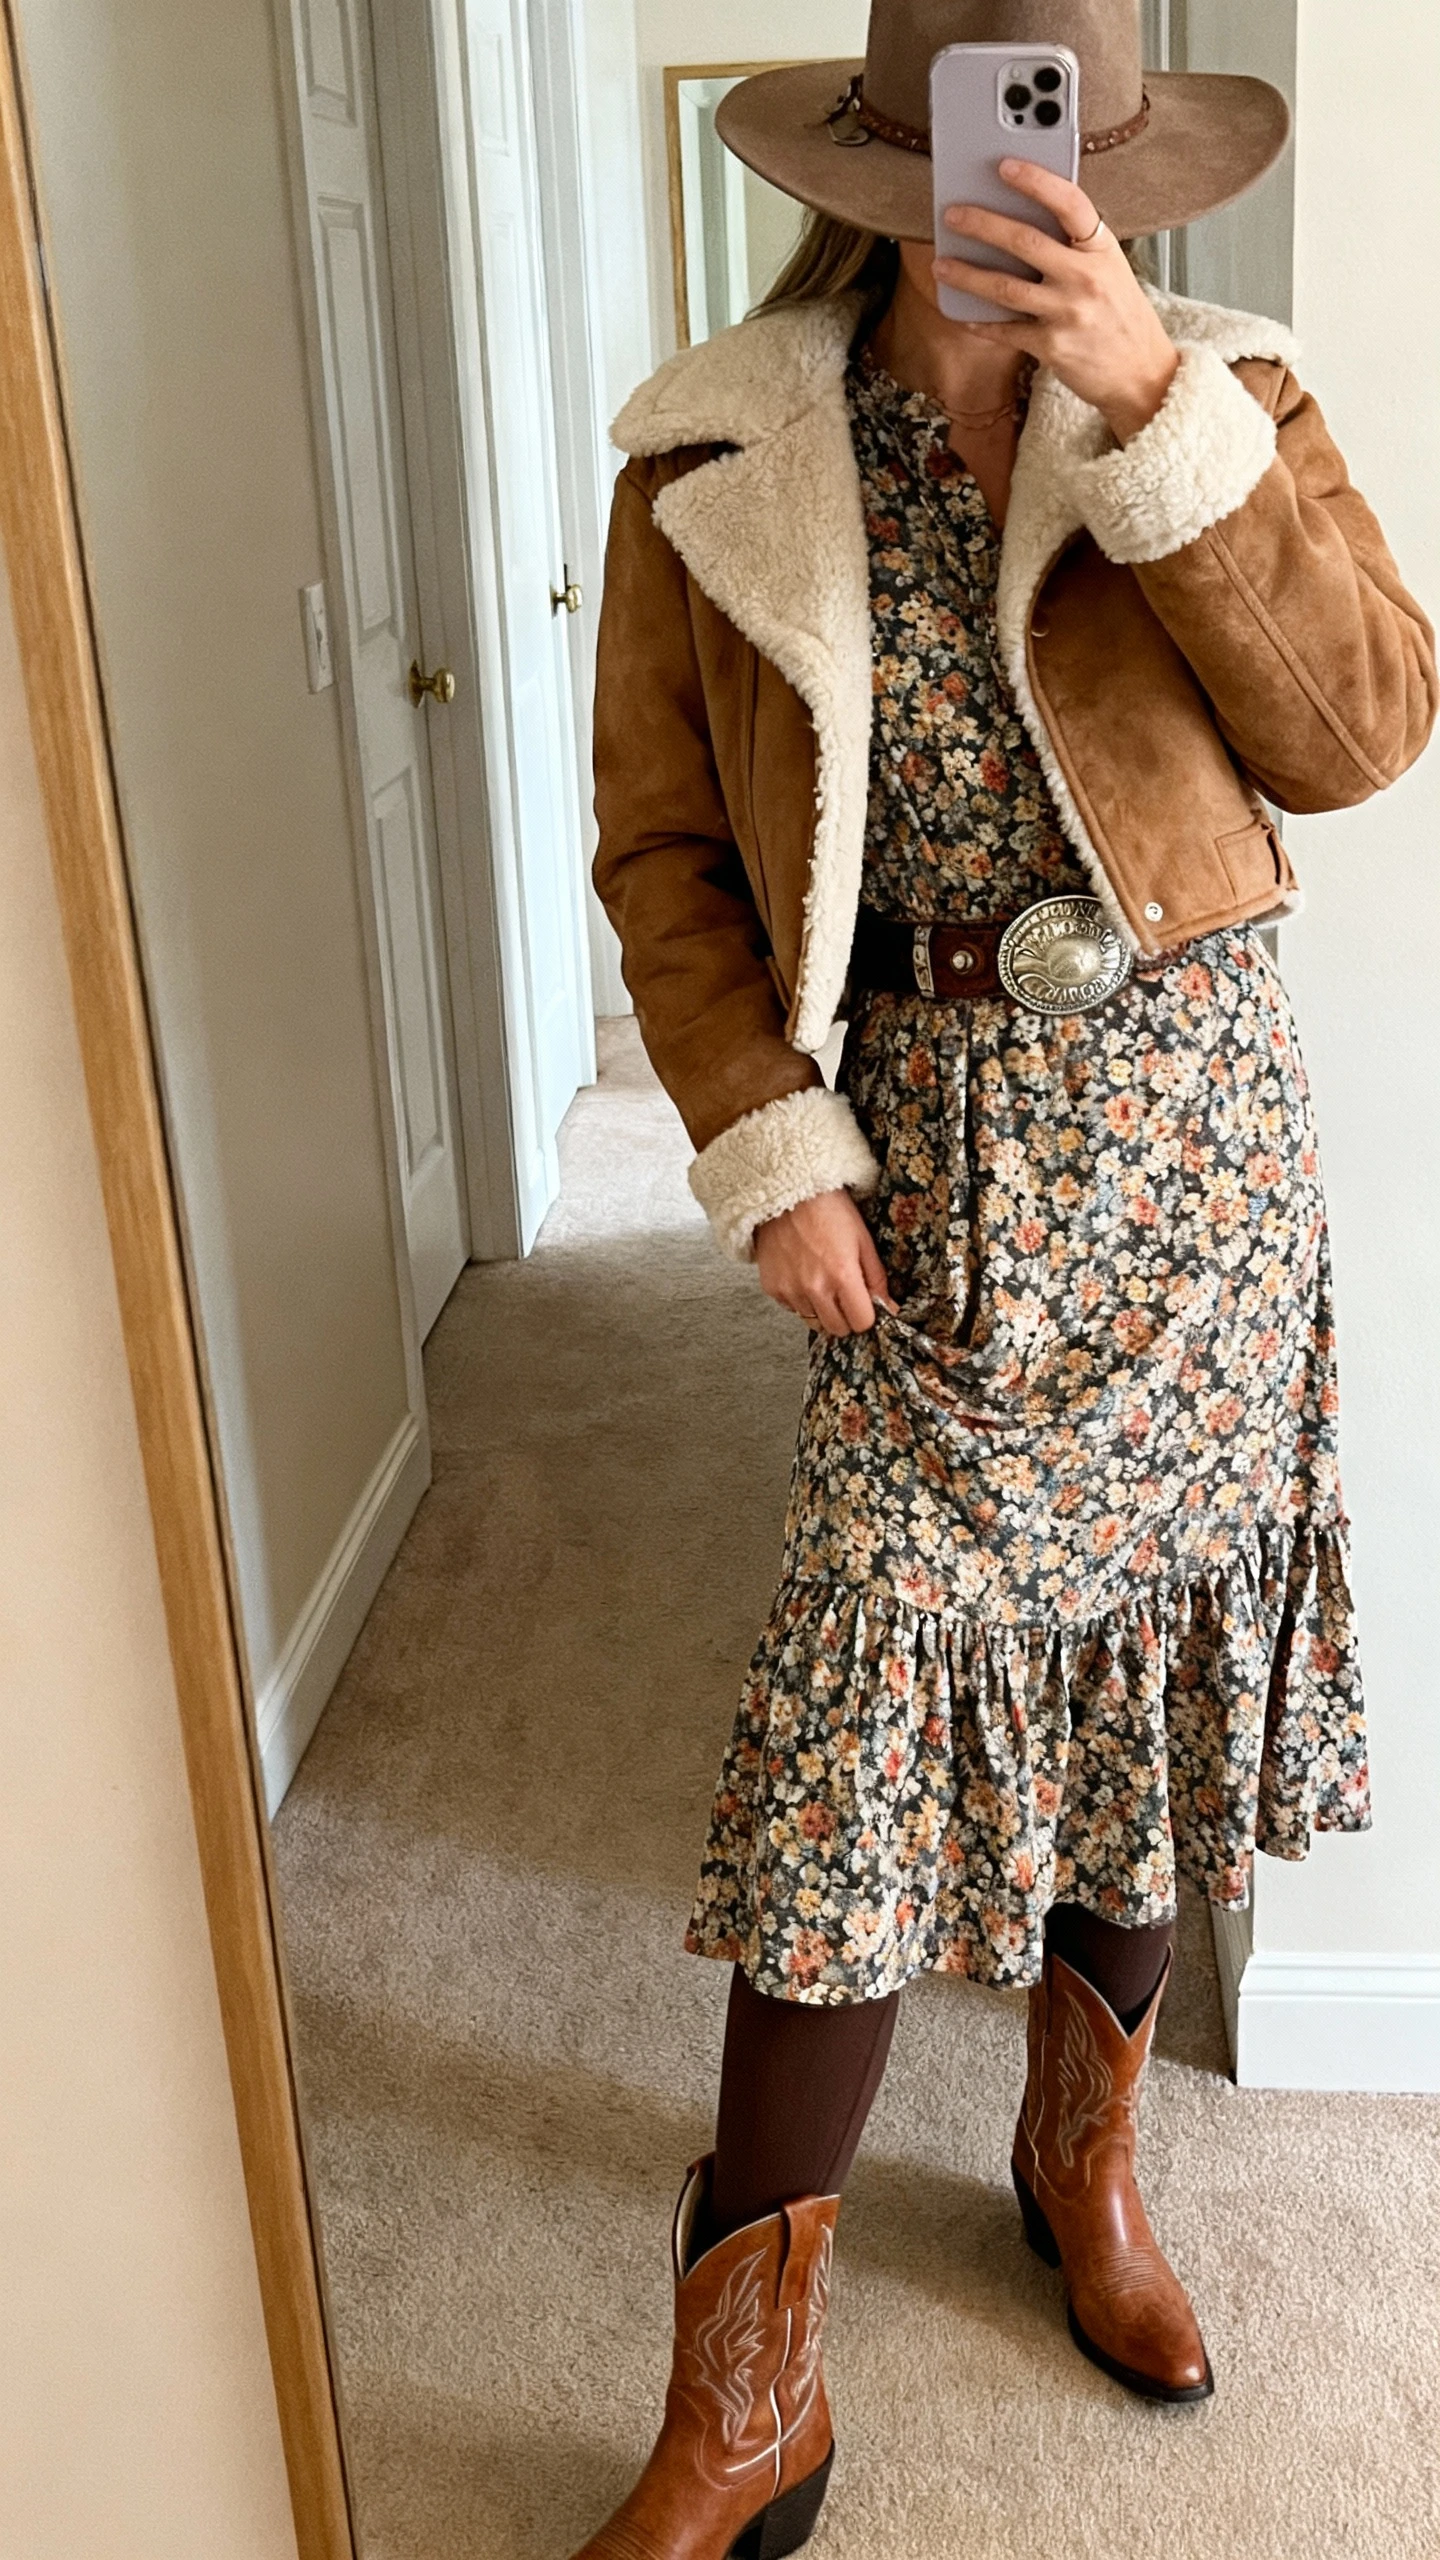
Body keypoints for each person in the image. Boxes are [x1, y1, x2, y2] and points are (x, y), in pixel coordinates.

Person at [577, 3, 1436, 2553]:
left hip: (1191, 1152)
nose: (1021, 178)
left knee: (1151, 1672)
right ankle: (744, 2395)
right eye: (973, 131)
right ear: (876, 149)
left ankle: (1088, 2165)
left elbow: (1368, 726)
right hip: (914, 1166)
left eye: (1068, 136)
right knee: (859, 1737)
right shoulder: (707, 451)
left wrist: (1148, 394)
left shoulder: (1227, 391)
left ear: (1124, 156)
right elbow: (663, 856)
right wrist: (768, 1142)